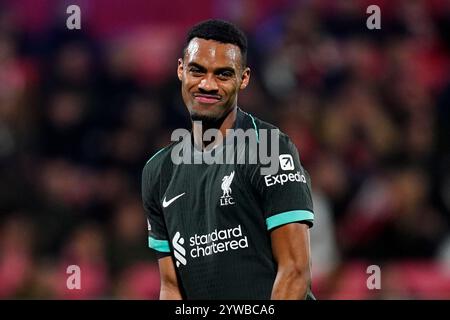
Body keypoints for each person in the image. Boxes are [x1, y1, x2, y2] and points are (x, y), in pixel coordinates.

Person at [141, 19, 315, 300]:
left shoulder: (269, 149)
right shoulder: (158, 172)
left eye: (223, 74)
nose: (207, 85)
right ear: (180, 70)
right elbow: (171, 286)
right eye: (197, 71)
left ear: (243, 78)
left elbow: (294, 271)